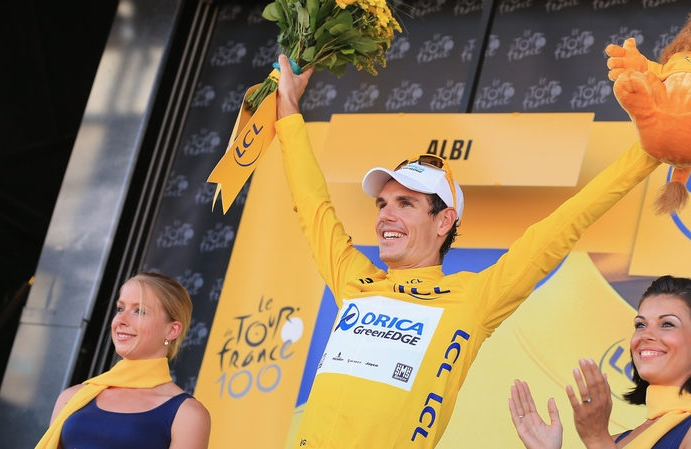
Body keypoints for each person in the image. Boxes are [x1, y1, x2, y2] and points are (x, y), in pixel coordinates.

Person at [274, 53, 661, 448]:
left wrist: (649, 153)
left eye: (405, 204)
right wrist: (287, 107)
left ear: (444, 222)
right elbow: (311, 204)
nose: (386, 216)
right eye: (383, 204)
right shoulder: (355, 280)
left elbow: (563, 227)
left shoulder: (473, 300)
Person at [509, 275, 691, 449]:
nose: (645, 335)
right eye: (640, 324)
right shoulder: (617, 441)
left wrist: (598, 441)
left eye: (667, 324)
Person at [34, 272, 211, 449]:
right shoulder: (72, 397)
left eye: (139, 311)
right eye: (120, 308)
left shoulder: (188, 414)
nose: (121, 320)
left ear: (172, 330)